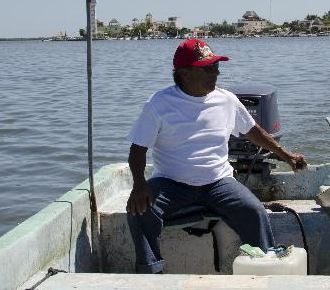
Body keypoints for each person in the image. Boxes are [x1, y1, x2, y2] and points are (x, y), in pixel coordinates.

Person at [126, 38, 307, 274]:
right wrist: (139, 185)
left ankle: (264, 264)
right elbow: (137, 149)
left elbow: (253, 131)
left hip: (218, 183)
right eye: (207, 68)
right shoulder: (159, 104)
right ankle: (151, 273)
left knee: (254, 211)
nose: (216, 73)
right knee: (139, 210)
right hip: (171, 184)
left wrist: (286, 155)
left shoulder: (227, 100)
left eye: (216, 67)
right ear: (184, 73)